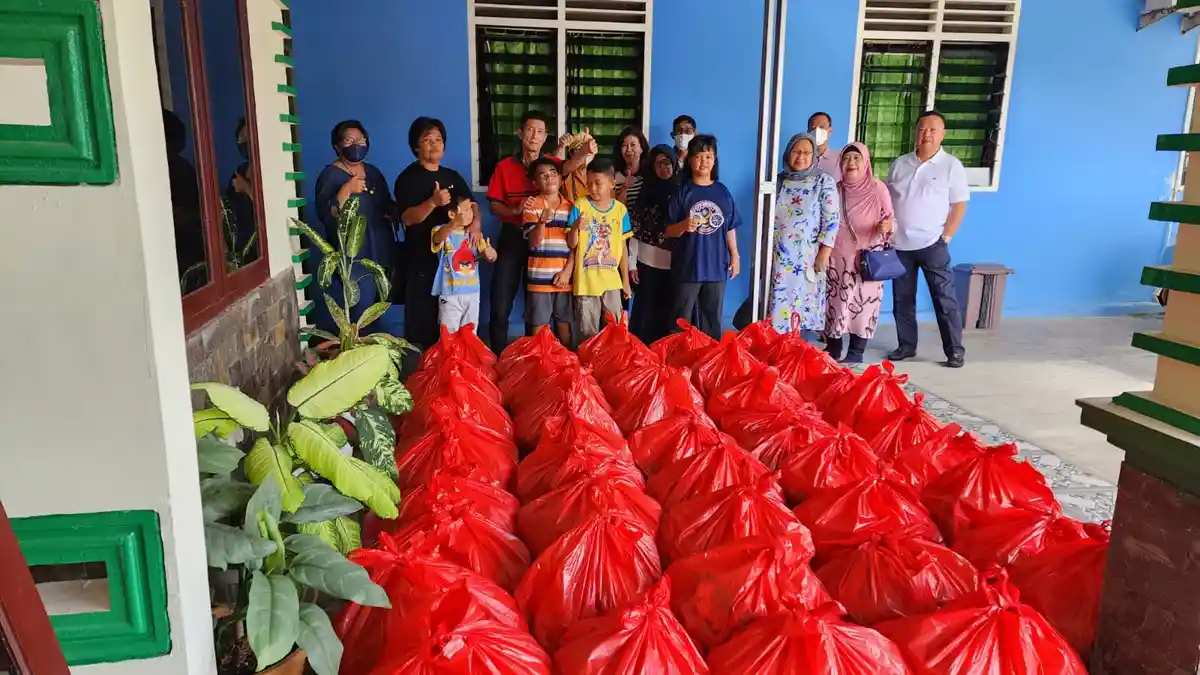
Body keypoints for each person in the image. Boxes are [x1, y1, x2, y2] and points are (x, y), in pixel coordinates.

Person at [486, 110, 589, 352]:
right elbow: (493, 205)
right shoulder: (504, 167)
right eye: (530, 130)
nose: (534, 135)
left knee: (537, 307)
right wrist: (514, 211)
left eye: (540, 131)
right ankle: (499, 357)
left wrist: (585, 150)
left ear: (545, 137)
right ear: (520, 133)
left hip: (551, 243)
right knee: (501, 302)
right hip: (514, 237)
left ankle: (531, 359)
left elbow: (570, 166)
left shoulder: (552, 164)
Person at [886, 110, 969, 369]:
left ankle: (954, 350)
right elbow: (889, 200)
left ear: (943, 134)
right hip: (900, 245)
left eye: (933, 130)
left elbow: (959, 205)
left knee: (944, 299)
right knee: (902, 299)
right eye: (923, 129)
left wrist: (947, 236)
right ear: (915, 131)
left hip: (933, 243)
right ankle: (906, 345)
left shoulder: (951, 165)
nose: (927, 134)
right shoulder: (900, 163)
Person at [394, 117, 478, 348]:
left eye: (438, 140)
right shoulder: (408, 178)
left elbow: (472, 203)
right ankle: (424, 376)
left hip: (453, 265)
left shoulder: (452, 176)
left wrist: (475, 226)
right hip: (423, 261)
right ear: (415, 147)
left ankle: (450, 375)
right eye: (427, 140)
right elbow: (408, 219)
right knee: (423, 325)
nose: (434, 144)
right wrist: (432, 202)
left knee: (453, 326)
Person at [314, 119, 398, 332]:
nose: (357, 144)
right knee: (358, 316)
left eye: (360, 139)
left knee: (377, 312)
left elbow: (386, 204)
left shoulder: (373, 173)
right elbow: (328, 214)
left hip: (379, 254)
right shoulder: (330, 175)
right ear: (337, 146)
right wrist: (347, 190)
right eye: (349, 140)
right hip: (354, 260)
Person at [666, 135, 742, 340]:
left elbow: (730, 227)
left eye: (709, 156)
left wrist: (735, 256)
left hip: (716, 268)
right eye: (699, 156)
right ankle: (677, 360)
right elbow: (667, 230)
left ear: (715, 160)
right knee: (680, 321)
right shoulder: (682, 192)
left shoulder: (722, 192)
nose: (704, 161)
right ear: (690, 160)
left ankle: (710, 363)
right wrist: (683, 226)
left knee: (712, 321)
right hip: (688, 268)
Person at [825, 142, 894, 363]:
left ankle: (856, 352)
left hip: (867, 259)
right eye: (846, 159)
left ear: (865, 162)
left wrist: (887, 226)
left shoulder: (877, 188)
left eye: (856, 158)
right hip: (837, 259)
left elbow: (891, 218)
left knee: (863, 305)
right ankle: (833, 348)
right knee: (835, 303)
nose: (851, 163)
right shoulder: (834, 189)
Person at [768, 132, 840, 335]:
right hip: (777, 257)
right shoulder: (778, 181)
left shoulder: (822, 181)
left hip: (806, 258)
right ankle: (776, 353)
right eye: (796, 151)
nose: (801, 156)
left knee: (798, 309)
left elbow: (832, 221)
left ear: (814, 156)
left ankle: (794, 354)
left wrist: (824, 254)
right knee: (774, 309)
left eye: (807, 152)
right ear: (788, 153)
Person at [566, 157, 633, 341]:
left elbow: (623, 248)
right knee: (587, 334)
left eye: (598, 183)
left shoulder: (620, 210)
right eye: (589, 183)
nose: (592, 188)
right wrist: (574, 227)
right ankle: (588, 368)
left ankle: (611, 366)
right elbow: (572, 244)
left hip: (612, 281)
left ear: (612, 183)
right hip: (586, 282)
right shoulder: (580, 205)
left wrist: (625, 281)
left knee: (616, 331)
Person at [521, 158, 575, 346]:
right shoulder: (532, 205)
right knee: (538, 329)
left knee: (564, 326)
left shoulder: (571, 207)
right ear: (535, 183)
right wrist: (542, 222)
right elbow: (533, 243)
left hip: (563, 279)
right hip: (539, 279)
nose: (549, 177)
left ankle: (569, 367)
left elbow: (575, 246)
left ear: (560, 179)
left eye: (553, 173)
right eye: (543, 175)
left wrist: (567, 272)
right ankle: (538, 369)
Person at [628, 145, 678, 342]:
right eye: (658, 163)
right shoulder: (645, 194)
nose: (664, 168)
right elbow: (634, 230)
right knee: (647, 312)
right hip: (647, 262)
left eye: (667, 163)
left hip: (675, 264)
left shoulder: (682, 192)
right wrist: (632, 264)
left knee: (670, 312)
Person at [431, 194, 497, 333]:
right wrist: (454, 223)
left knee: (470, 333)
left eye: (471, 210)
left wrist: (491, 254)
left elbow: (490, 256)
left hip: (472, 293)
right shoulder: (441, 231)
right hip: (450, 294)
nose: (471, 213)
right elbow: (437, 239)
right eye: (466, 210)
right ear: (451, 214)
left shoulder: (474, 235)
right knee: (449, 334)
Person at [614, 126, 649, 206]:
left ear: (641, 148)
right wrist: (624, 188)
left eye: (633, 144)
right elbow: (614, 210)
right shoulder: (614, 176)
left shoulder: (649, 175)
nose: (628, 149)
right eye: (624, 145)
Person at [808, 112, 841, 181]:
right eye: (813, 128)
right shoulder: (802, 157)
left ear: (830, 131)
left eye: (822, 127)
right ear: (808, 132)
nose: (817, 131)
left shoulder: (840, 158)